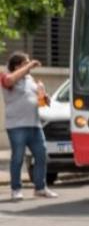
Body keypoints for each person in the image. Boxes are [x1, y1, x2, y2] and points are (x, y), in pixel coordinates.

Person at [2, 52, 59, 201]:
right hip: (16, 126)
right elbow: (8, 82)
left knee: (42, 155)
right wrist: (29, 65)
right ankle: (16, 189)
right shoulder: (6, 75)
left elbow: (43, 100)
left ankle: (40, 188)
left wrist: (45, 97)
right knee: (18, 157)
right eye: (25, 63)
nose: (29, 66)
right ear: (17, 65)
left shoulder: (30, 79)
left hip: (34, 124)